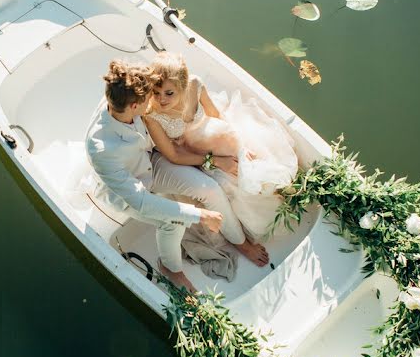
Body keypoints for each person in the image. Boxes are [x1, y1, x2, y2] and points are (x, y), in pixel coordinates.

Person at [85, 60, 246, 293]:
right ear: (134, 107)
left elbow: (171, 76)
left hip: (152, 160)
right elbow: (141, 201)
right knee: (173, 221)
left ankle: (239, 240)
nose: (155, 100)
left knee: (208, 187)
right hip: (129, 188)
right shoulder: (102, 150)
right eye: (149, 97)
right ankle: (171, 268)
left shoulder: (123, 91)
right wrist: (200, 215)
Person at [145, 53, 298, 243]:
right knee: (230, 180)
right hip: (196, 155)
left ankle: (279, 189)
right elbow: (174, 156)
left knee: (253, 156)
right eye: (156, 92)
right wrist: (215, 160)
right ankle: (249, 224)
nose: (162, 100)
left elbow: (215, 115)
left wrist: (238, 144)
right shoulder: (152, 115)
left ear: (182, 86)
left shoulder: (194, 85)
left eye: (169, 93)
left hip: (216, 138)